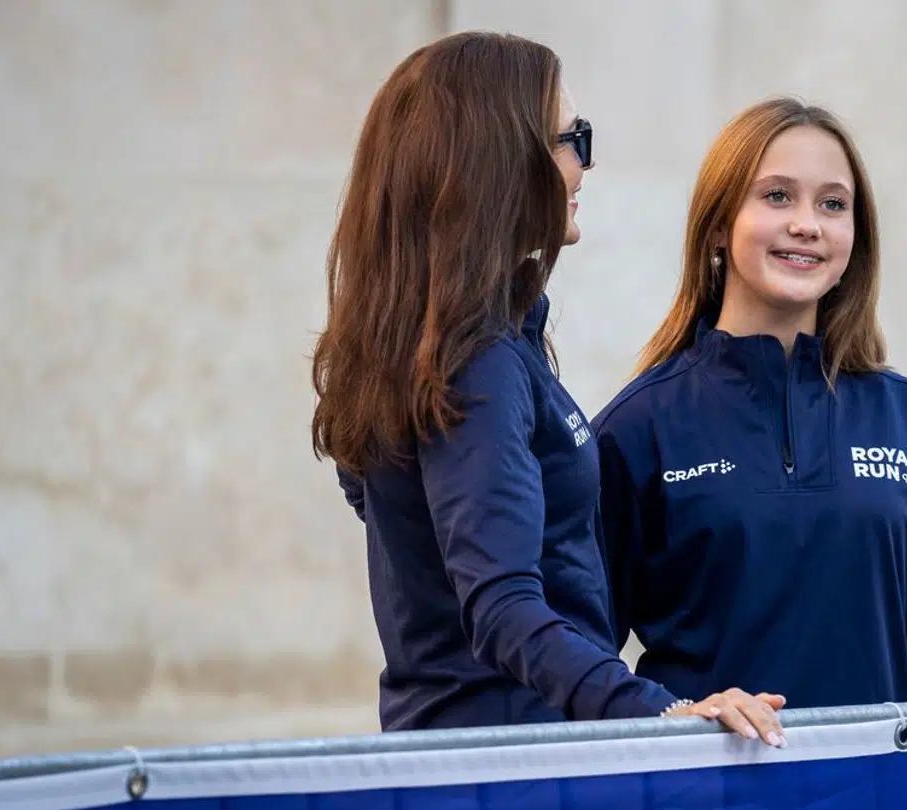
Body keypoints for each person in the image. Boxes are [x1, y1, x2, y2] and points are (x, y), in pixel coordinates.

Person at [309, 32, 786, 745]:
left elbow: (395, 513)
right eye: (574, 139)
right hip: (511, 762)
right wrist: (655, 711)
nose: (586, 165)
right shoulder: (478, 361)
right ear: (505, 162)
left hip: (469, 753)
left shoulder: (443, 344)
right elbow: (501, 603)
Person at [592, 97, 907, 712]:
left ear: (855, 239)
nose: (807, 223)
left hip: (876, 790)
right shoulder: (638, 427)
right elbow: (581, 660)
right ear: (717, 225)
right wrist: (674, 716)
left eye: (832, 204)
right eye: (777, 196)